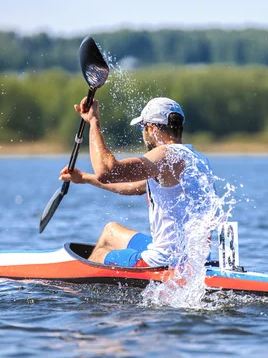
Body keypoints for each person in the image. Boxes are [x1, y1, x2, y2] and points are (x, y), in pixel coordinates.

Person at [59, 97, 216, 268]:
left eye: (143, 127)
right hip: (194, 258)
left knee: (98, 254)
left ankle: (90, 289)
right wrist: (85, 178)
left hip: (164, 263)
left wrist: (93, 121)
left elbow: (106, 171)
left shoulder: (164, 155)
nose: (143, 133)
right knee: (110, 231)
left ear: (151, 128)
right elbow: (133, 186)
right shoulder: (198, 159)